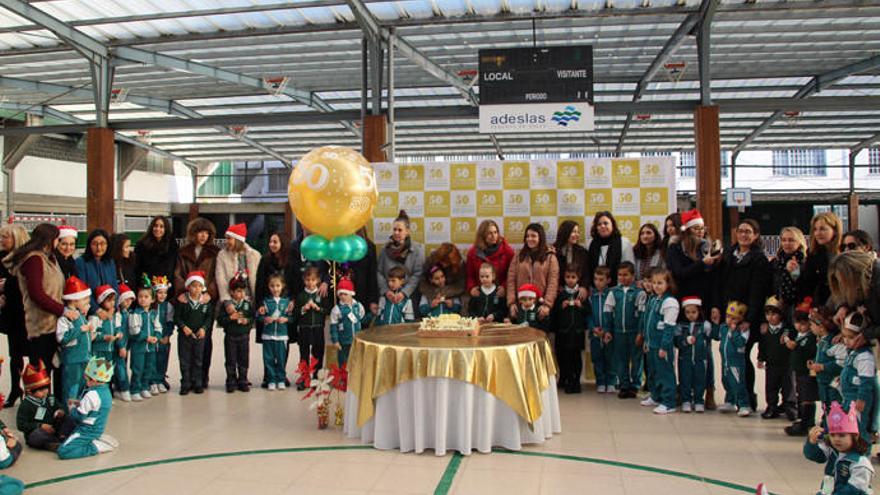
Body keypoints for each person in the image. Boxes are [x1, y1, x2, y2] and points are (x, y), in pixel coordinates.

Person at [5, 224, 73, 402]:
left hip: (53, 323)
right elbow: (36, 294)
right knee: (41, 373)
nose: (58, 243)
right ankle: (37, 411)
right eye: (57, 239)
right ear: (49, 239)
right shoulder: (33, 260)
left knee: (54, 368)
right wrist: (63, 310)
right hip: (41, 324)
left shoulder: (49, 258)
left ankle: (54, 408)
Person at [665, 209, 720, 409]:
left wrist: (714, 305)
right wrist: (701, 264)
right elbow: (679, 273)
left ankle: (709, 390)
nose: (700, 231)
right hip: (683, 304)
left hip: (703, 304)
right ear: (687, 230)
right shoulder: (675, 249)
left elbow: (714, 280)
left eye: (702, 228)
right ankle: (685, 391)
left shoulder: (709, 248)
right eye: (696, 228)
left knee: (704, 350)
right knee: (684, 349)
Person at [715, 218, 770, 411]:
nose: (744, 235)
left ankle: (747, 398)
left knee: (742, 356)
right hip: (728, 314)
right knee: (727, 357)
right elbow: (721, 283)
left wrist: (748, 318)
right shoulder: (729, 254)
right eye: (741, 231)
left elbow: (758, 290)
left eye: (748, 232)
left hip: (747, 317)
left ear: (755, 236)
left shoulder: (759, 259)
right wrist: (720, 309)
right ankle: (732, 397)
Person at [215, 223, 260, 387]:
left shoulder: (254, 255)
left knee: (244, 346)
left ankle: (243, 377)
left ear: (238, 239)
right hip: (231, 300)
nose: (227, 241)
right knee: (231, 346)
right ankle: (231, 378)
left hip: (247, 302)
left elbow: (257, 280)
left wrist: (256, 303)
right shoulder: (222, 256)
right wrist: (227, 301)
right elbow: (220, 279)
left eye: (229, 238)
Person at [803, 402, 874, 495]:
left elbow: (854, 490)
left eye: (842, 435)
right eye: (832, 435)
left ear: (855, 436)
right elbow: (815, 456)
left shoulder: (860, 463)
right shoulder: (833, 450)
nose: (836, 439)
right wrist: (811, 442)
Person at [57, 357, 117, 459]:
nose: (86, 382)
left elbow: (79, 417)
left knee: (63, 451)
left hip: (87, 430)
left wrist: (71, 407)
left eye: (87, 379)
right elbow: (95, 406)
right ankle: (96, 438)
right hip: (97, 428)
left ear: (93, 380)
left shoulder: (92, 394)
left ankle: (96, 446)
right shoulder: (106, 392)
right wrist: (80, 403)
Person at [640, 269, 679, 415]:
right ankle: (655, 396)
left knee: (665, 373)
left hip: (662, 346)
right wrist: (646, 341)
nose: (656, 286)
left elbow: (669, 328)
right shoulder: (653, 299)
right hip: (651, 344)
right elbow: (648, 322)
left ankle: (668, 402)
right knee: (652, 372)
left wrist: (664, 346)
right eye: (654, 283)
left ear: (668, 284)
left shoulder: (670, 302)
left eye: (660, 283)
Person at [506, 223, 559, 324]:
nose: (530, 239)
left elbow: (553, 283)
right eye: (527, 236)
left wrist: (547, 305)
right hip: (520, 306)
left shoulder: (550, 257)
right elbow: (511, 280)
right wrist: (511, 303)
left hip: (540, 307)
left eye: (533, 236)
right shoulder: (518, 255)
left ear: (541, 237)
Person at [0, 224, 29, 407]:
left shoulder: (25, 259)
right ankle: (15, 389)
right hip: (11, 313)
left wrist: (6, 287)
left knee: (32, 355)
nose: (2, 240)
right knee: (14, 354)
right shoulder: (2, 258)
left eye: (5, 237)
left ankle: (33, 389)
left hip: (26, 313)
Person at [839, 311, 877, 448]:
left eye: (851, 337)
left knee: (859, 428)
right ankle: (851, 452)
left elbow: (866, 381)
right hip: (848, 399)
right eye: (844, 336)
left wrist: (862, 398)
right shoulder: (853, 353)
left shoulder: (865, 357)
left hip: (857, 400)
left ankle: (863, 454)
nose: (846, 340)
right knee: (849, 428)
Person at [16, 360, 74, 451]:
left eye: (46, 388)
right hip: (39, 431)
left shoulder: (49, 397)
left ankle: (61, 437)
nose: (45, 392)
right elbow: (21, 425)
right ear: (29, 391)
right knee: (36, 436)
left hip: (54, 427)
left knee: (70, 419)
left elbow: (59, 407)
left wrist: (60, 411)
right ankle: (56, 442)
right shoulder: (26, 405)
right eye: (40, 390)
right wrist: (40, 426)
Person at [604, 262, 643, 399]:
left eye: (626, 274)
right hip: (618, 332)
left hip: (634, 332)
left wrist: (640, 332)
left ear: (633, 276)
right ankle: (624, 385)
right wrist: (608, 330)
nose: (622, 277)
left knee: (636, 359)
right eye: (620, 275)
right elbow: (608, 312)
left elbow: (642, 314)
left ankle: (635, 386)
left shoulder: (639, 293)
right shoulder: (613, 292)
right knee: (621, 359)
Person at [56, 276, 93, 412]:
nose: (88, 302)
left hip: (84, 357)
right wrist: (80, 330)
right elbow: (62, 339)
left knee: (82, 386)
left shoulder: (80, 316)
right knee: (72, 387)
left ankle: (79, 412)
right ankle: (69, 414)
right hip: (73, 360)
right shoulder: (65, 318)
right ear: (74, 299)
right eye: (85, 299)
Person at [377, 210, 425, 317]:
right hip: (389, 297)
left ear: (407, 231)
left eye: (400, 230)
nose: (396, 233)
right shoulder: (385, 249)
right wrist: (386, 291)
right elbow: (379, 272)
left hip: (410, 297)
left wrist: (404, 293)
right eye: (394, 229)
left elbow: (418, 274)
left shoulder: (417, 250)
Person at [175, 271, 214, 396]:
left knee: (198, 360)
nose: (196, 289)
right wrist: (183, 327)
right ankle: (185, 383)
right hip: (185, 336)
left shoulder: (206, 303)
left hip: (200, 335)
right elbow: (177, 317)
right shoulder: (182, 301)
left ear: (203, 288)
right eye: (193, 286)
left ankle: (198, 382)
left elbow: (209, 317)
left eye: (199, 286)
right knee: (185, 359)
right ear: (188, 286)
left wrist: (204, 328)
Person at [785, 298, 819, 436]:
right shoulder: (797, 334)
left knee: (807, 397)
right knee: (801, 395)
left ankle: (807, 422)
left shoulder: (811, 337)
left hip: (807, 372)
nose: (799, 326)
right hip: (798, 371)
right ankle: (802, 420)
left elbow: (810, 351)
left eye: (803, 324)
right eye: (797, 323)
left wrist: (796, 346)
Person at [758, 296, 796, 420]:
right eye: (768, 314)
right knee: (771, 386)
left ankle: (789, 406)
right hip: (771, 364)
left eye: (774, 314)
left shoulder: (787, 329)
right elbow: (762, 346)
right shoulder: (765, 331)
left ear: (780, 315)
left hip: (786, 364)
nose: (770, 317)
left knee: (787, 386)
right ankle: (771, 406)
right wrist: (760, 358)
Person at [711, 301, 751, 417]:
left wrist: (734, 332)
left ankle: (743, 404)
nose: (730, 320)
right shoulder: (723, 327)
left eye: (734, 318)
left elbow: (740, 343)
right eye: (728, 317)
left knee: (738, 383)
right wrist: (716, 324)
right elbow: (716, 336)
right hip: (725, 361)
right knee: (726, 381)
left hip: (736, 362)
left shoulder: (743, 330)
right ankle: (730, 401)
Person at [828, 251, 880, 340]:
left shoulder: (876, 280)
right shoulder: (864, 282)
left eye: (844, 282)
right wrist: (844, 306)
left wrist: (867, 335)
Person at [553, 264, 587, 394]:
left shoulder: (581, 294)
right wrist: (561, 306)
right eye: (568, 277)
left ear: (578, 278)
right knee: (564, 357)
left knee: (576, 358)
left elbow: (587, 311)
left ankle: (576, 381)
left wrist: (581, 306)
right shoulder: (561, 294)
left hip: (577, 333)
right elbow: (555, 312)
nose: (570, 280)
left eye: (573, 277)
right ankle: (567, 380)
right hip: (563, 333)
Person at [809, 306, 846, 426]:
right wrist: (814, 363)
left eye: (812, 325)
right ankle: (826, 426)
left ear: (821, 327)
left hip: (832, 383)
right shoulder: (821, 340)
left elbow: (840, 363)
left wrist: (823, 367)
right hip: (822, 381)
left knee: (834, 406)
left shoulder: (833, 341)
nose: (810, 327)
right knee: (825, 405)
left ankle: (835, 428)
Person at [675, 296, 712, 413]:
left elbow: (711, 337)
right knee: (685, 380)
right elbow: (677, 342)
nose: (691, 315)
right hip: (684, 358)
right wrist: (685, 340)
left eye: (694, 312)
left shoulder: (704, 325)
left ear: (699, 312)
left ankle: (698, 401)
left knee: (700, 380)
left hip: (700, 358)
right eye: (687, 312)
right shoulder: (681, 326)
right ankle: (686, 400)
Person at [218, 274, 253, 393]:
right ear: (231, 292)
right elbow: (220, 320)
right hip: (231, 336)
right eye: (238, 291)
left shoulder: (247, 304)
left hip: (244, 336)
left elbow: (252, 318)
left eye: (243, 291)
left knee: (244, 359)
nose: (242, 293)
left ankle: (243, 380)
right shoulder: (226, 306)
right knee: (231, 359)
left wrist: (247, 321)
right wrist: (230, 318)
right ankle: (231, 381)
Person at [799, 211, 843, 307]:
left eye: (823, 229)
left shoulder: (845, 250)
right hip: (823, 305)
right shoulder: (813, 254)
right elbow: (808, 283)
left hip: (845, 302)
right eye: (815, 229)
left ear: (835, 230)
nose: (818, 233)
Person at [294, 267, 328, 386]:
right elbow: (296, 313)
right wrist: (303, 309)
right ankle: (304, 378)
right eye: (308, 280)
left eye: (313, 280)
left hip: (318, 327)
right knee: (304, 353)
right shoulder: (301, 296)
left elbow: (326, 310)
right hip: (304, 328)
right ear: (304, 280)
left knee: (318, 352)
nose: (310, 283)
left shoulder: (321, 294)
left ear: (318, 280)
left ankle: (316, 377)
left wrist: (318, 308)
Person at [465, 220, 514, 301]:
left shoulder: (507, 251)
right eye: (489, 233)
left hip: (499, 295)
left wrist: (504, 287)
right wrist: (472, 288)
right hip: (481, 295)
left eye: (495, 232)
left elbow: (512, 275)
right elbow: (470, 275)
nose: (494, 236)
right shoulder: (473, 253)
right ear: (482, 235)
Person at [173, 217, 220, 301]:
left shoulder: (214, 252)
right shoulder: (183, 252)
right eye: (201, 232)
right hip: (186, 296)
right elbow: (177, 274)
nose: (204, 236)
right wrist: (183, 292)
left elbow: (216, 275)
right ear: (193, 233)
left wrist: (210, 293)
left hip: (206, 298)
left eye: (207, 233)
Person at [74, 229, 118, 315]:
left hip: (109, 310)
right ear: (89, 245)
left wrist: (113, 306)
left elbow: (114, 285)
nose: (99, 248)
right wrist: (97, 310)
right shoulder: (81, 262)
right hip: (89, 312)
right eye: (95, 244)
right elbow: (83, 289)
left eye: (102, 244)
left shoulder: (110, 262)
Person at [260, 273, 291, 391]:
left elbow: (292, 317)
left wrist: (286, 319)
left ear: (282, 286)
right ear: (268, 287)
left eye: (278, 285)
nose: (275, 288)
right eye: (272, 286)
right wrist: (264, 319)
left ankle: (281, 379)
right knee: (268, 359)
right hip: (268, 336)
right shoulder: (265, 302)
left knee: (281, 359)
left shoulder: (286, 302)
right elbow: (258, 316)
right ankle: (271, 380)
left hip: (282, 336)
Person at [128, 284, 160, 401]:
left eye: (146, 297)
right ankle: (135, 389)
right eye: (140, 296)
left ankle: (145, 387)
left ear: (152, 299)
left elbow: (158, 327)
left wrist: (156, 336)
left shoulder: (154, 314)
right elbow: (134, 330)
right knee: (138, 368)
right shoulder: (135, 313)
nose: (143, 299)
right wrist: (146, 337)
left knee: (149, 367)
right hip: (139, 348)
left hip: (151, 347)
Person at [586, 211, 635, 286]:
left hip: (618, 290)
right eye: (599, 224)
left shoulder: (624, 242)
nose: (602, 226)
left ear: (613, 225)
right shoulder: (591, 244)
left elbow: (630, 269)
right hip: (596, 290)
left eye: (606, 223)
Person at [770, 227, 807, 319]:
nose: (787, 243)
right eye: (784, 240)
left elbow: (805, 284)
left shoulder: (805, 261)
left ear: (799, 242)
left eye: (791, 240)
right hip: (778, 306)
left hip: (798, 306)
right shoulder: (776, 262)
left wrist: (794, 272)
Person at [419, 243, 466, 315]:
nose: (444, 264)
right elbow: (422, 282)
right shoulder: (431, 259)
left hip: (452, 294)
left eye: (446, 262)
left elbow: (461, 285)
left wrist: (445, 292)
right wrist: (435, 293)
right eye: (442, 261)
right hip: (432, 292)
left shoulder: (460, 264)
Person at [587, 266, 613, 393]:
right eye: (596, 279)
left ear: (608, 280)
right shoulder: (591, 297)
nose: (598, 282)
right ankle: (601, 381)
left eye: (601, 279)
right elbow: (589, 315)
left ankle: (612, 381)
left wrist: (608, 329)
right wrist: (593, 328)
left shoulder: (612, 295)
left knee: (610, 357)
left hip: (608, 334)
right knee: (597, 358)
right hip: (595, 334)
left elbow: (614, 314)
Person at [134, 216, 178, 293]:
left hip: (166, 287)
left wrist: (167, 285)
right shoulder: (141, 244)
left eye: (161, 227)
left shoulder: (172, 245)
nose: (158, 229)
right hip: (147, 287)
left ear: (166, 229)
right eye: (155, 226)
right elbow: (137, 268)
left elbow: (173, 266)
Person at [329, 278, 365, 368]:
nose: (343, 296)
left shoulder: (358, 306)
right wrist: (335, 340)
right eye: (340, 294)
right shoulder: (337, 309)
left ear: (351, 294)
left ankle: (355, 378)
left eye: (345, 294)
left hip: (357, 340)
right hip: (344, 341)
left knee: (356, 359)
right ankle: (343, 378)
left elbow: (362, 319)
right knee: (343, 360)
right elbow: (333, 326)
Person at [113, 284, 134, 402]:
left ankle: (118, 388)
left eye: (131, 299)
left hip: (126, 345)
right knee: (120, 368)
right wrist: (121, 346)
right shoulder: (118, 315)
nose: (129, 302)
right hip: (120, 346)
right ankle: (124, 388)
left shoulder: (127, 313)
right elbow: (118, 331)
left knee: (122, 366)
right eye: (126, 299)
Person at [552, 220, 589, 287]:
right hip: (558, 291)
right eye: (574, 232)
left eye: (578, 232)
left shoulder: (583, 252)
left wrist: (584, 287)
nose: (577, 235)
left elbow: (586, 273)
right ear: (565, 232)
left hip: (578, 292)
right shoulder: (553, 251)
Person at [153, 276, 174, 393]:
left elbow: (170, 322)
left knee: (162, 359)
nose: (162, 295)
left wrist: (167, 335)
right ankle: (152, 381)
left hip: (164, 339)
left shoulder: (168, 306)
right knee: (152, 360)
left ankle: (160, 379)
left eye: (165, 293)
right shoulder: (151, 306)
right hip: (153, 339)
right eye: (160, 293)